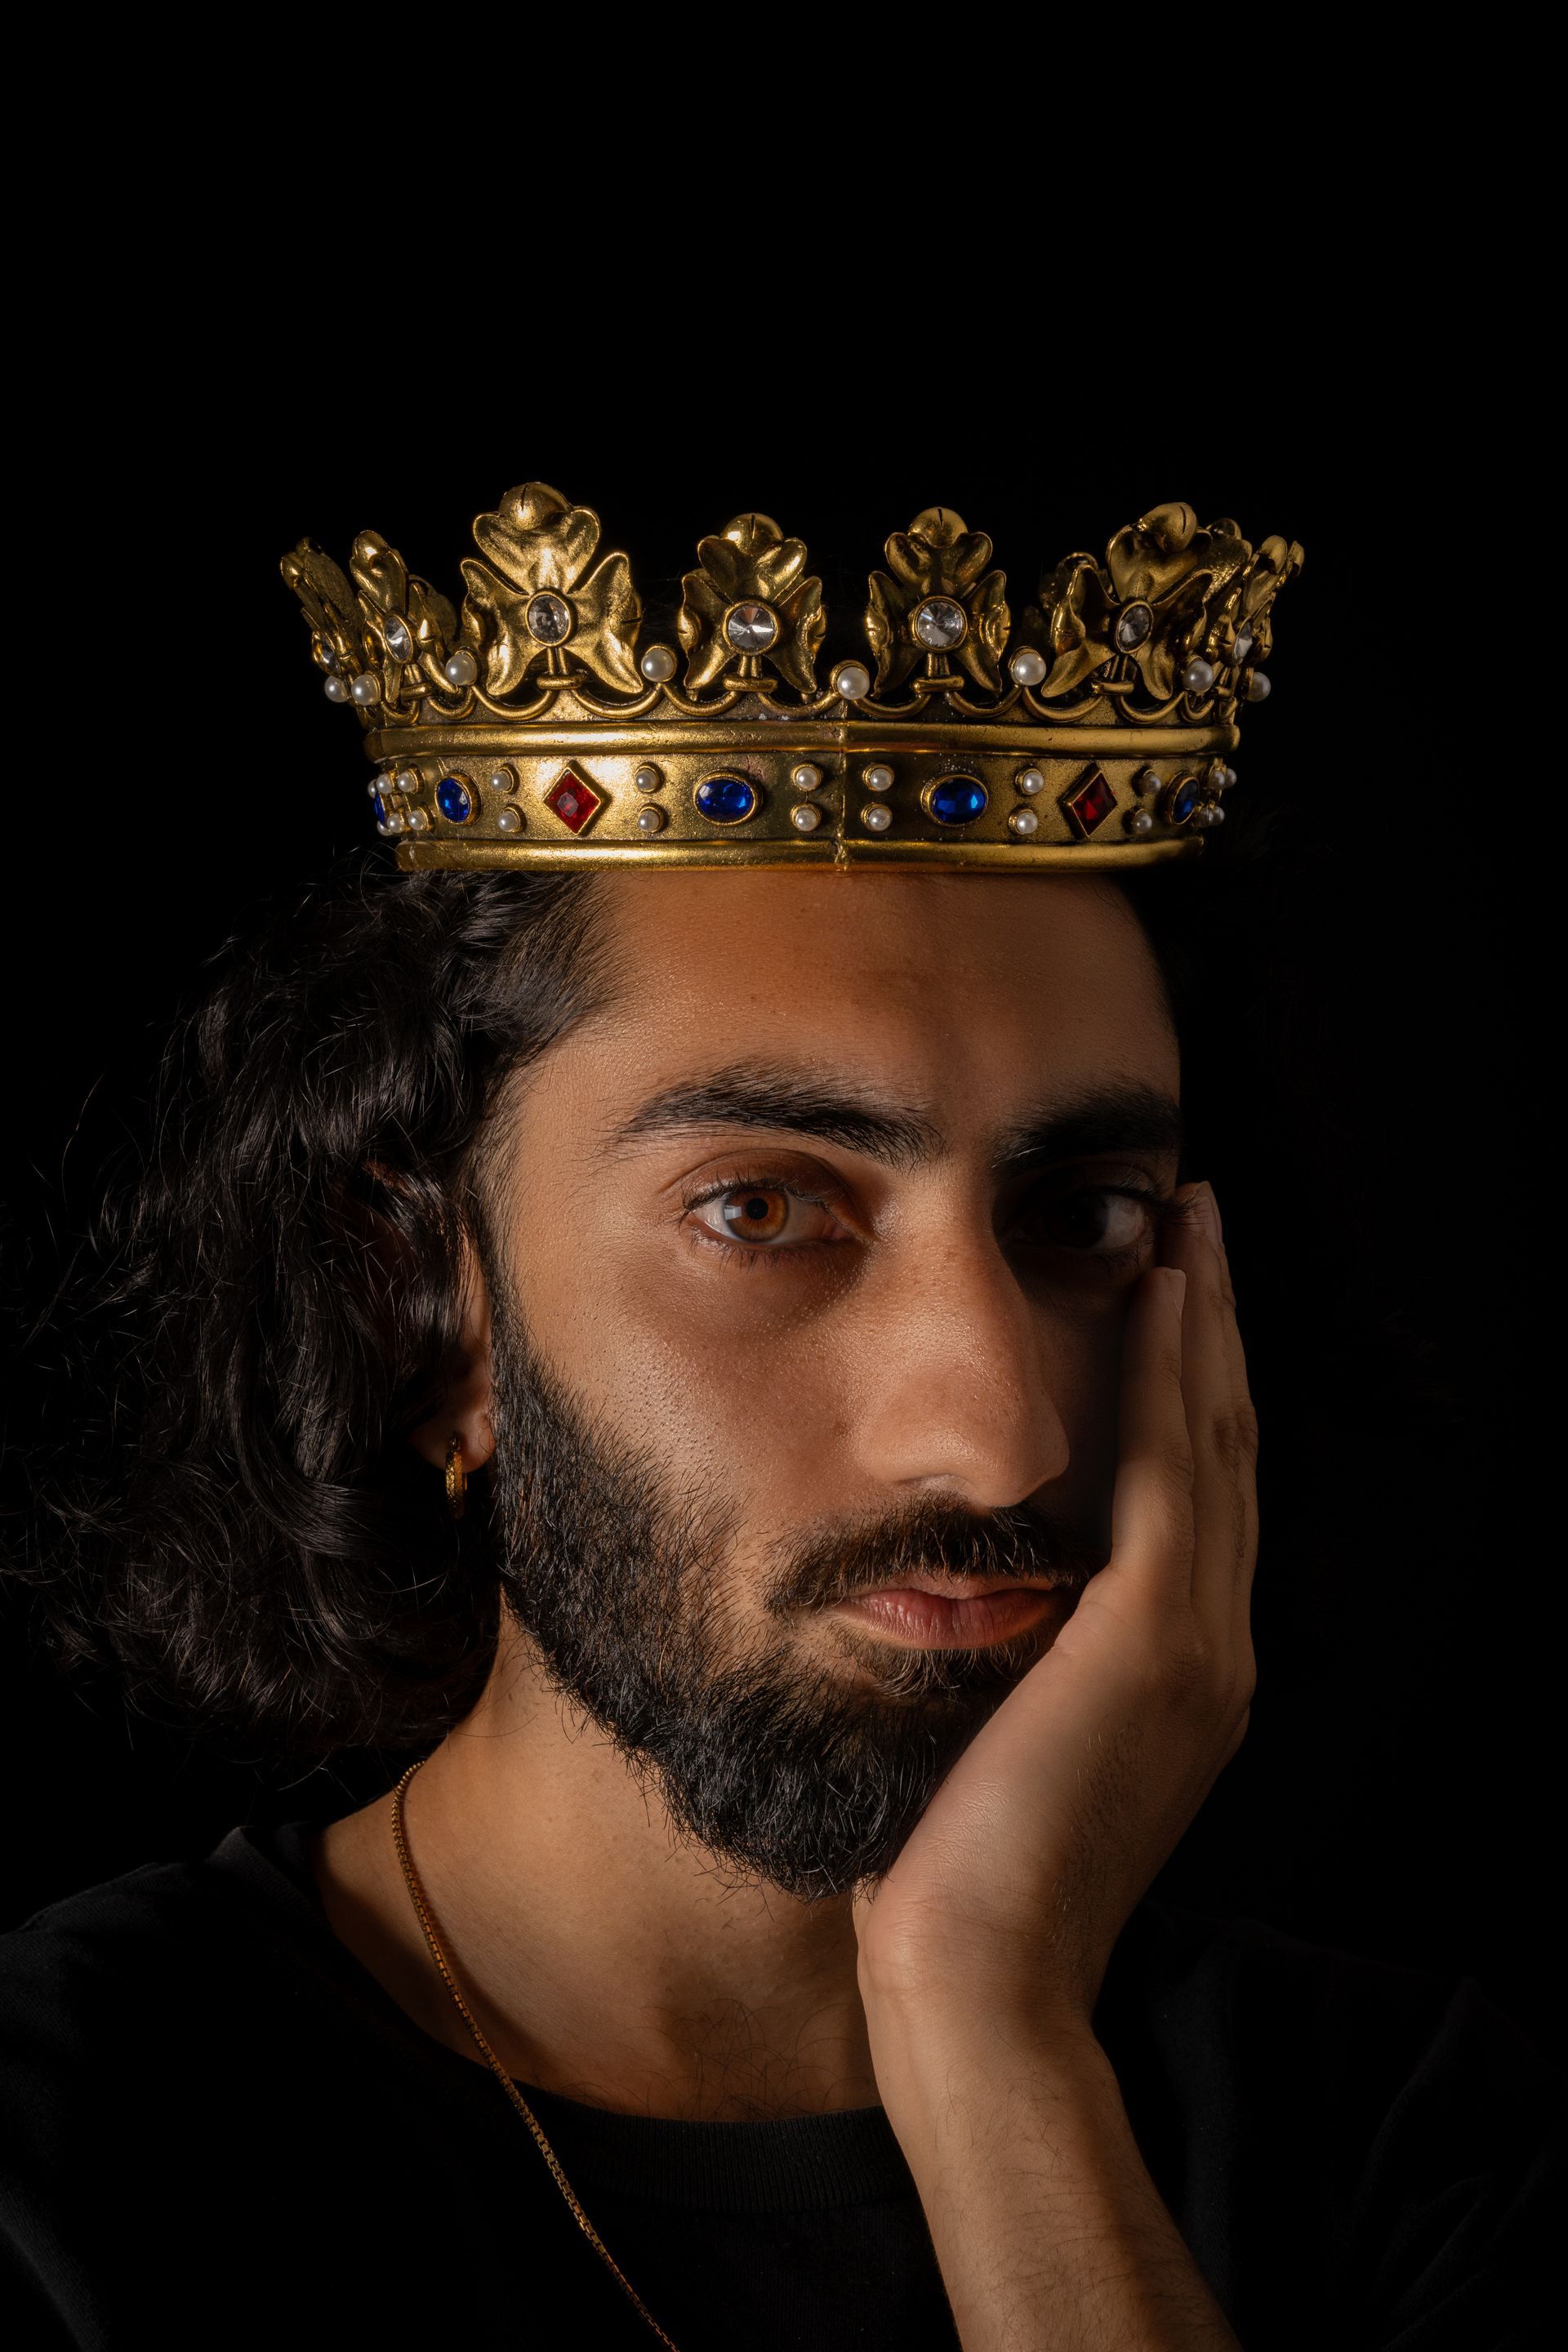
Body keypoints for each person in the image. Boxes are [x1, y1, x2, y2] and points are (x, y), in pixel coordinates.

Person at [1, 492, 1552, 2350]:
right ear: (430, 1313)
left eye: (1081, 1217)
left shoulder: (1411, 2143)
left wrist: (989, 2032)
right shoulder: (59, 2154)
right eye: (761, 1210)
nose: (998, 1442)